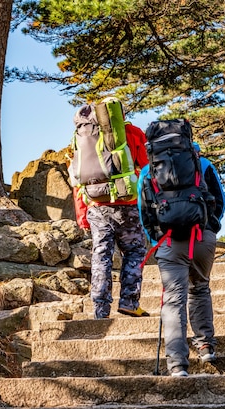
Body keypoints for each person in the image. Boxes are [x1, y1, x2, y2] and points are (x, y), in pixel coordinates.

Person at [138, 141, 225, 377]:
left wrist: (154, 239)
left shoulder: (149, 169)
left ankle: (177, 363)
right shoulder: (204, 164)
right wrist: (210, 229)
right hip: (201, 237)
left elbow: (143, 210)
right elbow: (220, 201)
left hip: (169, 241)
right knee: (199, 288)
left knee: (174, 300)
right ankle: (206, 345)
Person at [72, 99, 150, 319]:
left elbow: (77, 181)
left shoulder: (80, 139)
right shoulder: (132, 133)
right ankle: (129, 302)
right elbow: (146, 171)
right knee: (134, 252)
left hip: (96, 206)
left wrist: (82, 216)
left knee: (101, 256)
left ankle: (100, 309)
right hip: (127, 205)